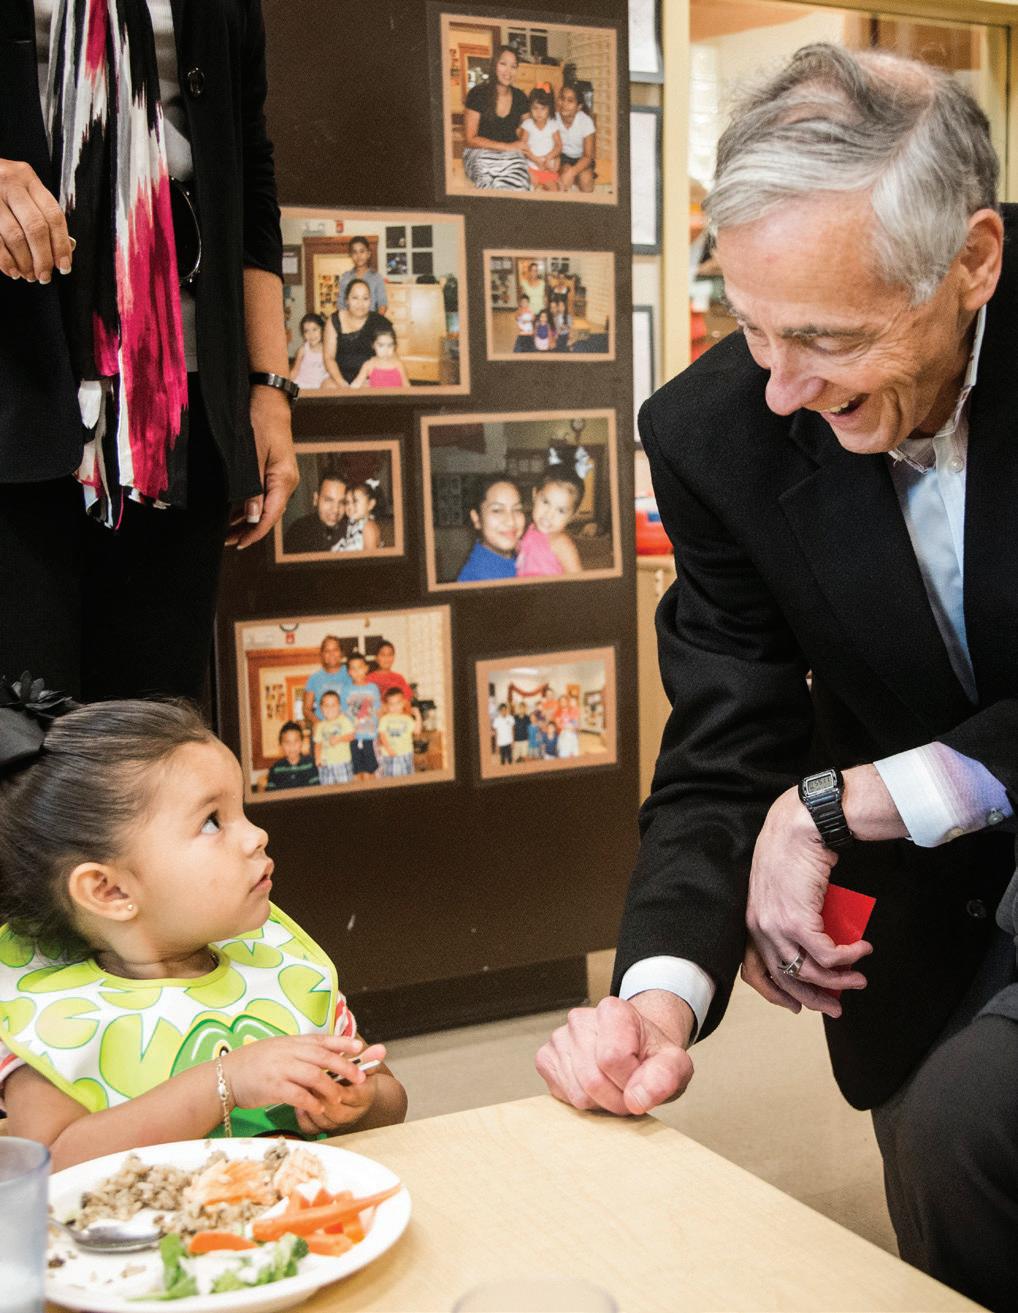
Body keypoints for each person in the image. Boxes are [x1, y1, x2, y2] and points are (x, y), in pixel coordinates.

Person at [535, 44, 1018, 1313]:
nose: (782, 387)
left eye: (826, 336)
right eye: (750, 324)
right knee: (950, 1187)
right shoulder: (712, 433)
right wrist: (654, 1001)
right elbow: (723, 741)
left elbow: (807, 792)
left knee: (976, 1119)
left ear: (972, 260)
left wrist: (846, 802)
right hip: (928, 935)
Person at [0, 1, 299, 703]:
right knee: (18, 733)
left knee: (151, 728)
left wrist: (269, 387)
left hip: (175, 389)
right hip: (15, 375)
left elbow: (248, 170)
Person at [0, 689, 406, 1168]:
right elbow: (46, 1166)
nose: (257, 836)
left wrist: (360, 1102)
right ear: (110, 890)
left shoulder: (276, 967)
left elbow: (391, 1099)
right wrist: (225, 1082)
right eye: (212, 822)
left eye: (242, 812)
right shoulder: (53, 1016)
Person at [462, 45, 531, 192]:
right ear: (494, 65)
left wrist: (522, 143)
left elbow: (528, 129)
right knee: (488, 186)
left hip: (511, 153)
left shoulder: (520, 97)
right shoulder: (477, 94)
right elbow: (470, 138)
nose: (508, 71)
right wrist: (507, 147)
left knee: (520, 182)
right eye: (503, 64)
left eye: (513, 66)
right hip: (479, 151)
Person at [516, 453, 584, 577]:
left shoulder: (561, 543)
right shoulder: (528, 529)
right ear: (535, 494)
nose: (549, 514)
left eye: (561, 510)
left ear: (572, 516)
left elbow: (579, 581)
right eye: (546, 502)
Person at [323, 279, 395, 386]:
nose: (360, 303)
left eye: (365, 298)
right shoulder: (334, 320)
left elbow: (392, 357)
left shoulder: (380, 322)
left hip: (371, 378)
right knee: (327, 386)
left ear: (370, 301)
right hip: (340, 378)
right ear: (347, 300)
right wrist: (342, 384)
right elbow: (329, 358)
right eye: (355, 298)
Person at [456, 475, 526, 582]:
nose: (511, 521)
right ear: (476, 519)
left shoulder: (523, 558)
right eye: (497, 510)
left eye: (517, 509)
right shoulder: (475, 578)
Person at [283, 471, 347, 554]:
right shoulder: (298, 532)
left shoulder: (352, 532)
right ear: (316, 499)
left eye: (342, 502)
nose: (335, 510)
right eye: (328, 500)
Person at [342, 653, 381, 781]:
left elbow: (378, 711)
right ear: (349, 672)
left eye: (360, 667)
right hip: (353, 738)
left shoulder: (373, 688)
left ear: (366, 668)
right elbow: (343, 713)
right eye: (353, 668)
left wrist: (379, 733)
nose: (357, 671)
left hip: (371, 737)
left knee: (371, 772)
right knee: (356, 773)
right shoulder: (346, 690)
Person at [554, 83, 596, 193]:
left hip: (582, 158)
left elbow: (588, 156)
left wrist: (572, 172)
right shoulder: (554, 119)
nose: (564, 104)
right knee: (565, 177)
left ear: (579, 107)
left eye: (570, 101)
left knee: (586, 182)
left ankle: (577, 179)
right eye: (562, 99)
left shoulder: (585, 121)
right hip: (563, 157)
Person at [518, 88, 561, 190]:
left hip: (547, 166)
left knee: (555, 189)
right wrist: (536, 160)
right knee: (531, 185)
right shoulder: (527, 124)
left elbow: (559, 146)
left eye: (543, 108)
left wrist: (547, 158)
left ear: (549, 109)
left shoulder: (553, 125)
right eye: (535, 108)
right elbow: (523, 147)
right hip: (531, 166)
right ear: (530, 108)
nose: (539, 112)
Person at [303, 636, 352, 724]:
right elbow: (306, 709)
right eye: (327, 651)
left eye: (335, 650)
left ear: (341, 653)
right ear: (322, 655)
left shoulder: (351, 672)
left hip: (348, 728)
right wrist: (320, 725)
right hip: (323, 729)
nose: (331, 654)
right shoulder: (314, 678)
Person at [312, 690, 355, 786]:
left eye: (333, 705)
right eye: (326, 705)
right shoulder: (320, 725)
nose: (330, 708)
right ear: (321, 708)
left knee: (345, 788)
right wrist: (317, 758)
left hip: (342, 762)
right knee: (327, 789)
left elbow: (351, 735)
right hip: (325, 764)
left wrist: (339, 739)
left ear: (339, 707)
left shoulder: (344, 720)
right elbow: (318, 743)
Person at [338, 236, 387, 316]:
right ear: (351, 255)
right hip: (350, 321)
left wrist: (374, 322)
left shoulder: (377, 278)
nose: (358, 255)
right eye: (355, 252)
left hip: (371, 321)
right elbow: (341, 305)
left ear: (368, 254)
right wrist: (346, 321)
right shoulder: (345, 278)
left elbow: (382, 305)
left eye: (362, 251)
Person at [265, 720, 319, 791]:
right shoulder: (275, 769)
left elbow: (316, 791)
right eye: (287, 742)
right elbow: (270, 794)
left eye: (296, 741)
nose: (292, 746)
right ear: (281, 745)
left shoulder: (311, 764)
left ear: (302, 742)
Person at [377, 688, 416, 779]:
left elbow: (416, 731)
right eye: (391, 704)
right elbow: (382, 735)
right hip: (390, 754)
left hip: (406, 753)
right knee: (392, 778)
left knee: (408, 776)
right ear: (387, 706)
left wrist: (417, 715)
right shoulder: (385, 719)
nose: (395, 707)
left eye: (398, 703)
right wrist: (388, 748)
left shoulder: (407, 718)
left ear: (403, 703)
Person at [289, 313, 333, 392]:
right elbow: (295, 371)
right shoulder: (303, 350)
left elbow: (331, 368)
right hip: (303, 384)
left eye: (314, 329)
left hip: (321, 384)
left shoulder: (327, 349)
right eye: (306, 331)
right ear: (303, 334)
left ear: (322, 330)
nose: (311, 335)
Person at [333, 481, 381, 553]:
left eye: (355, 501)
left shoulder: (368, 527)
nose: (350, 507)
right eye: (347, 502)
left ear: (370, 504)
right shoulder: (352, 523)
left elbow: (371, 555)